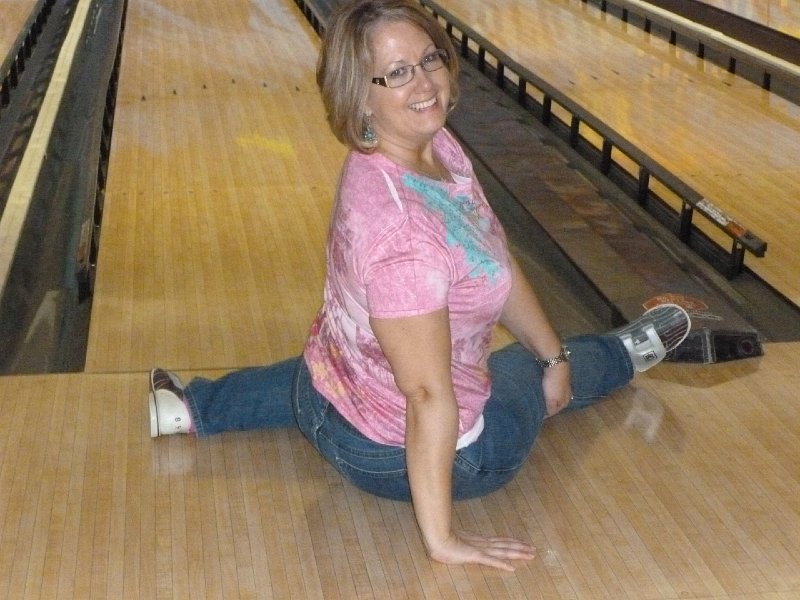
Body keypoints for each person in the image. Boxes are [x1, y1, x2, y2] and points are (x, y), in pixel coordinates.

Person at [148, 0, 691, 572]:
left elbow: (489, 258)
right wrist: (444, 539)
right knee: (519, 366)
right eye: (398, 72)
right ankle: (625, 350)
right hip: (399, 454)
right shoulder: (405, 238)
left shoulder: (424, 150)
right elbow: (428, 396)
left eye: (429, 59)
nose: (425, 82)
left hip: (323, 386)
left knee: (386, 353)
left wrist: (549, 352)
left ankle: (190, 407)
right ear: (360, 95)